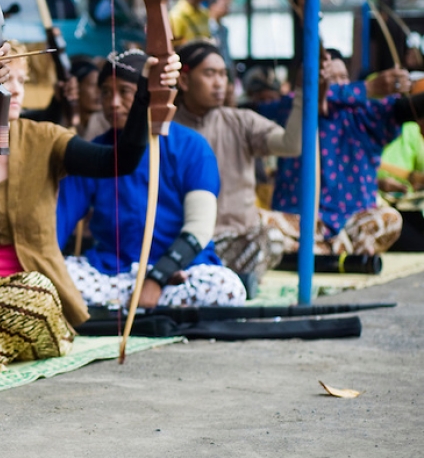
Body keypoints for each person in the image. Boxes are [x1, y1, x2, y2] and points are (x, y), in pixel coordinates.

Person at [0, 42, 179, 371]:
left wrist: (145, 93)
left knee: (35, 291)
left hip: (37, 302)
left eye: (22, 81)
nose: (16, 90)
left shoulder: (46, 139)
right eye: (6, 79)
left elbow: (117, 160)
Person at [58, 50, 245, 309]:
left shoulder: (192, 147)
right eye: (105, 92)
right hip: (113, 272)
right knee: (54, 279)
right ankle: (136, 306)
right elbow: (58, 224)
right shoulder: (94, 152)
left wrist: (157, 278)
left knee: (227, 289)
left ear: (149, 95)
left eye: (125, 91)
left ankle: (125, 306)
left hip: (179, 271)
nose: (112, 102)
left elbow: (199, 229)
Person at [171, 40, 302, 293]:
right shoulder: (164, 128)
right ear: (184, 81)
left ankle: (213, 280)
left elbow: (290, 144)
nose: (220, 83)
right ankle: (225, 281)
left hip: (237, 240)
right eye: (209, 74)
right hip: (184, 242)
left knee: (273, 238)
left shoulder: (241, 121)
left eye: (223, 74)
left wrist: (302, 95)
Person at [269, 51, 422, 257]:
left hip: (351, 224)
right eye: (330, 80)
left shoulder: (365, 113)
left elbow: (403, 108)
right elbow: (308, 98)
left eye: (344, 78)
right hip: (301, 222)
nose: (340, 86)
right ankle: (339, 252)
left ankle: (325, 251)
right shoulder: (292, 108)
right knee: (264, 227)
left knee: (389, 218)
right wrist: (369, 88)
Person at [378, 121, 424, 252]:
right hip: (378, 206)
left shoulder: (410, 129)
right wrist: (379, 183)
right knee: (417, 245)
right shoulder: (362, 127)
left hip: (407, 205)